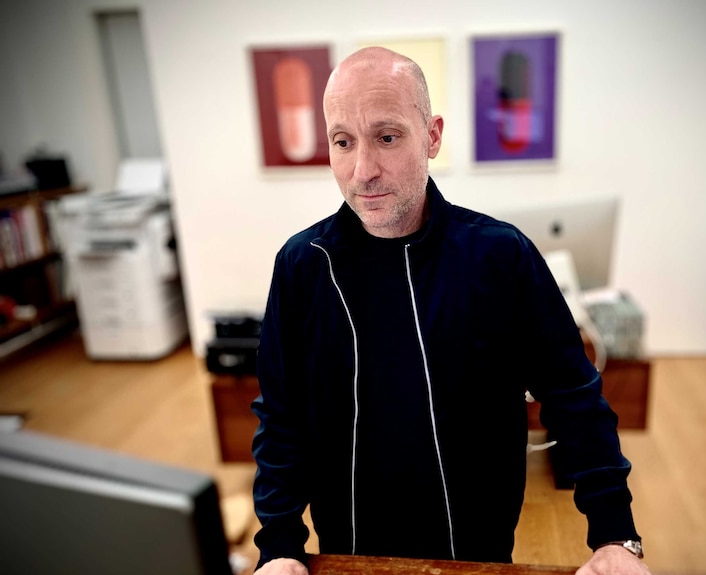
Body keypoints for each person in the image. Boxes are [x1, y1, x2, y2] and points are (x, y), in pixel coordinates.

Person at [251, 46, 650, 575]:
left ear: (432, 136)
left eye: (387, 137)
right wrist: (278, 547)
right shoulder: (302, 266)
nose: (362, 170)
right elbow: (281, 420)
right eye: (342, 142)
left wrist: (616, 536)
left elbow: (572, 396)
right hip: (349, 556)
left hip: (477, 557)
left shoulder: (500, 256)